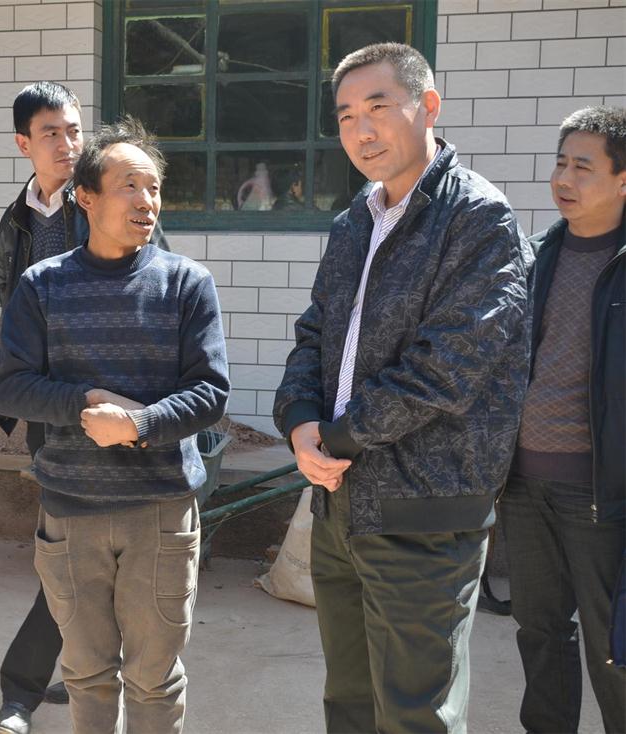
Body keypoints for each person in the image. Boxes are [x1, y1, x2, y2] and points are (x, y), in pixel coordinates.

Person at [272, 43, 532, 732]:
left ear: (429, 107)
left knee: (417, 713)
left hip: (424, 507)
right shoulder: (354, 220)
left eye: (378, 107)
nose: (361, 130)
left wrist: (336, 437)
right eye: (345, 115)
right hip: (340, 502)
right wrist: (299, 419)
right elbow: (314, 333)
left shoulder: (477, 218)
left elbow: (449, 365)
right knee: (350, 702)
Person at [0, 116, 229, 734]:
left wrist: (139, 424)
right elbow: (10, 388)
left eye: (153, 188)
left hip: (161, 513)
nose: (146, 201)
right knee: (87, 675)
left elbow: (210, 393)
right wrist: (85, 403)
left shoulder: (186, 284)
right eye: (129, 186)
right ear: (86, 197)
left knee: (154, 679)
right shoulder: (42, 286)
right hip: (72, 513)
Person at [500, 105, 625, 734]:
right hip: (524, 484)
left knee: (613, 643)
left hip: (600, 490)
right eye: (559, 163)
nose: (563, 179)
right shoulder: (539, 254)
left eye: (582, 166)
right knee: (539, 630)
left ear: (623, 179)